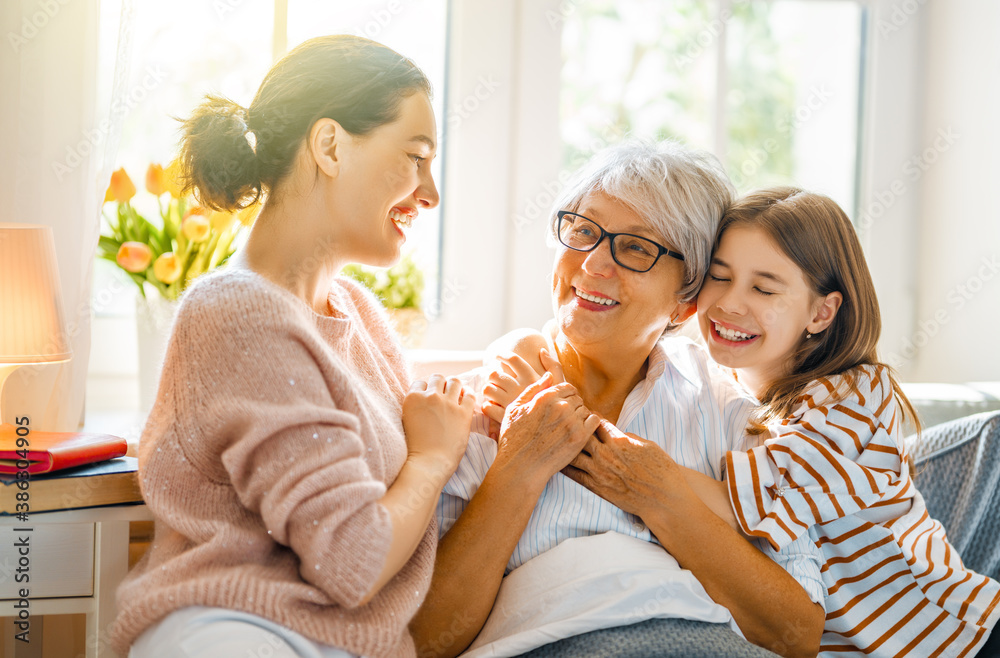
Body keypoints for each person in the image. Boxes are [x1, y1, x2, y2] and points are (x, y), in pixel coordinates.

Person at [110, 35, 475, 658]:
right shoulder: (238, 312)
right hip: (236, 633)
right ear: (330, 145)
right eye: (416, 156)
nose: (430, 192)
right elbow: (354, 562)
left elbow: (425, 438)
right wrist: (432, 462)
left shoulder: (353, 311)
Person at [410, 142, 826, 658]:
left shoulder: (729, 417)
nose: (594, 263)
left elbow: (797, 632)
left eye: (636, 248)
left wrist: (660, 496)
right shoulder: (469, 411)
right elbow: (423, 642)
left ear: (686, 300)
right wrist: (520, 465)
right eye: (583, 231)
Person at [690, 188, 1000, 656]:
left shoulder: (855, 396)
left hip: (954, 640)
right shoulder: (713, 388)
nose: (729, 303)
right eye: (719, 276)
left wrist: (620, 462)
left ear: (821, 312)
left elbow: (755, 500)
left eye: (764, 288)